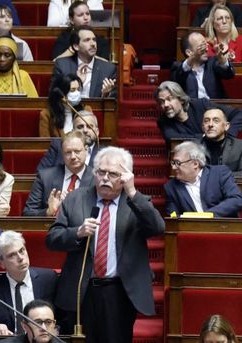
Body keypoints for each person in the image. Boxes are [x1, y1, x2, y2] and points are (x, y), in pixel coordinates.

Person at [46, 146, 165, 342]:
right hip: (81, 290)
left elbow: (157, 227)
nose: (105, 178)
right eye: (101, 172)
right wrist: (77, 232)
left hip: (119, 292)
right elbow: (52, 238)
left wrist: (133, 191)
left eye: (113, 174)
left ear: (125, 177)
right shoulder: (76, 198)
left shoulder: (135, 201)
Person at [0, 231, 58, 335]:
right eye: (12, 255)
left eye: (22, 251)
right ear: (1, 263)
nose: (20, 258)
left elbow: (61, 318)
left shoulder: (49, 279)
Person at [164, 141, 242, 218]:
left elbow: (236, 199)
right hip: (193, 228)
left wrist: (209, 215)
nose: (173, 167)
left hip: (223, 227)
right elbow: (173, 217)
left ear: (195, 164)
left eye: (178, 163)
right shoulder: (171, 187)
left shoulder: (219, 174)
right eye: (173, 163)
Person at [24, 132, 94, 217]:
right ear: (62, 154)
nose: (73, 157)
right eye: (68, 152)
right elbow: (28, 213)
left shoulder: (96, 178)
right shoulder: (45, 177)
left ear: (86, 150)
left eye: (77, 151)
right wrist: (49, 212)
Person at [155, 81, 242, 142]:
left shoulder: (200, 105)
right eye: (161, 101)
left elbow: (238, 114)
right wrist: (205, 136)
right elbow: (173, 138)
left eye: (169, 99)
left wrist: (228, 135)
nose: (165, 105)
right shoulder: (163, 121)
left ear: (181, 99)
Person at [52, 25, 116, 98]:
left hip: (95, 109)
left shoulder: (108, 69)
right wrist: (77, 84)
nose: (93, 44)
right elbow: (55, 96)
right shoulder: (62, 66)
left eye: (94, 39)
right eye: (87, 40)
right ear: (76, 46)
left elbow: (114, 102)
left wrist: (105, 95)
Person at [171, 31, 234, 99]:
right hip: (193, 107)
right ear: (189, 52)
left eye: (206, 45)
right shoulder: (178, 67)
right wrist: (193, 56)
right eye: (201, 46)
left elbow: (229, 74)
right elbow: (179, 77)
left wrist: (222, 59)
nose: (206, 49)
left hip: (216, 106)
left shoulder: (212, 62)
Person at [38, 111, 103, 171]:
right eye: (80, 127)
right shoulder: (58, 147)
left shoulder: (105, 153)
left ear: (97, 132)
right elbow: (41, 174)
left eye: (89, 127)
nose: (85, 130)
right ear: (73, 131)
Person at [199, 108, 242, 175]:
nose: (210, 124)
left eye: (216, 121)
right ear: (202, 126)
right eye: (206, 121)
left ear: (226, 126)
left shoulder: (239, 146)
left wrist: (218, 176)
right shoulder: (193, 146)